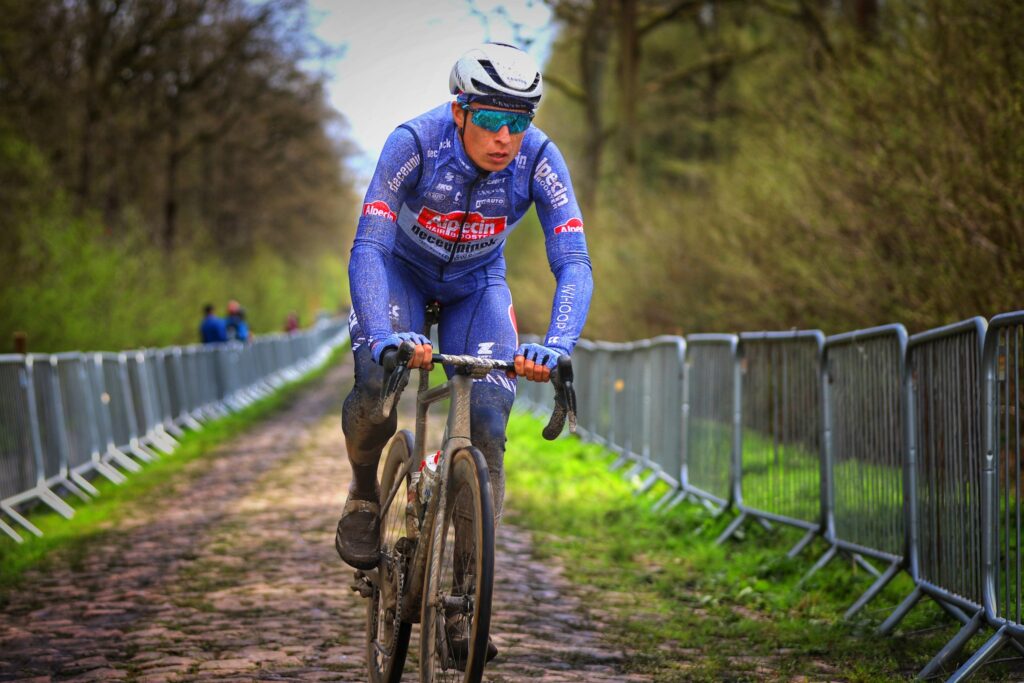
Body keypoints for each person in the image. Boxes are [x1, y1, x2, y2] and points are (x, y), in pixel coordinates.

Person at [337, 42, 593, 661]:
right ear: (459, 111)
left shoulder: (539, 159)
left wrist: (556, 347)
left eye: (520, 120)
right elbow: (368, 245)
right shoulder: (415, 142)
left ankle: (467, 600)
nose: (505, 136)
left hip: (477, 288)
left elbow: (575, 262)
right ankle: (365, 490)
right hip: (399, 273)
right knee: (376, 385)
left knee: (486, 426)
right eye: (491, 119)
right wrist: (382, 335)